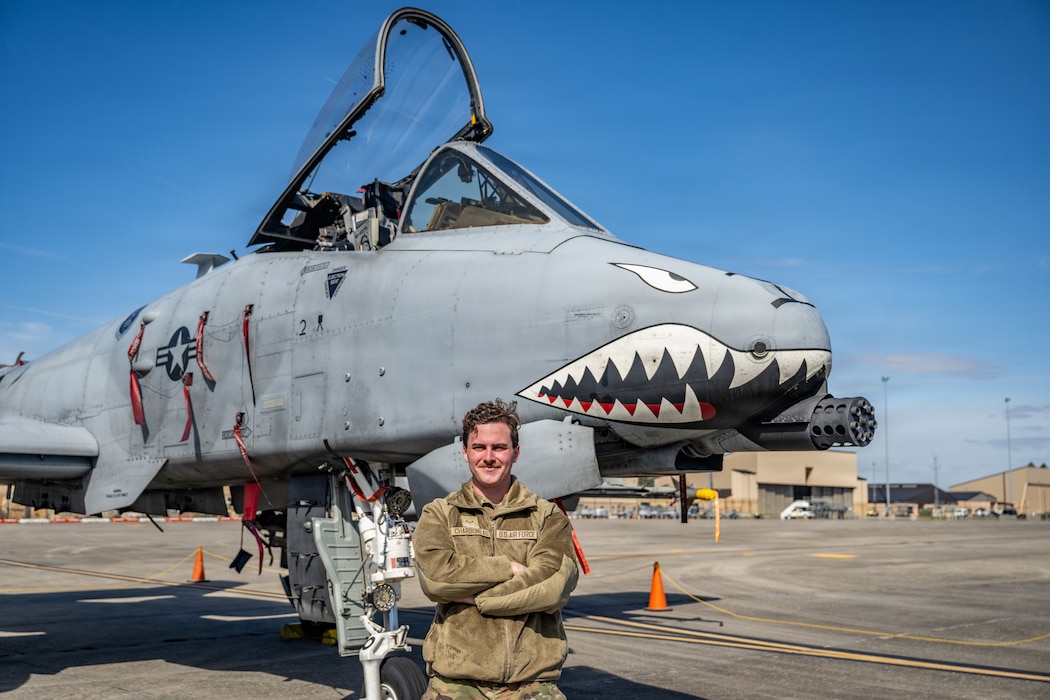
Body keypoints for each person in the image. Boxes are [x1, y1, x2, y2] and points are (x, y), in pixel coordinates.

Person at [414, 399, 579, 699]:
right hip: (455, 685)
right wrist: (508, 569)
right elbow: (437, 578)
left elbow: (551, 587)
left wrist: (475, 598)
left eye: (499, 448)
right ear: (465, 452)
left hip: (531, 685)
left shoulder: (547, 516)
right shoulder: (439, 513)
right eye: (479, 447)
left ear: (515, 452)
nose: (489, 457)